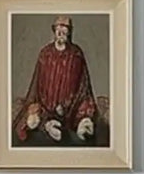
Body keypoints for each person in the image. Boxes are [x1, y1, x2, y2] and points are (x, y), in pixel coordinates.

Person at [13, 16, 98, 146]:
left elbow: (83, 85)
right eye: (59, 30)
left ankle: (80, 124)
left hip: (71, 108)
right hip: (46, 106)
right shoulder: (45, 54)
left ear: (69, 32)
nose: (61, 33)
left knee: (85, 116)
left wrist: (68, 105)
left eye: (65, 30)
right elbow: (37, 83)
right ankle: (48, 125)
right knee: (33, 117)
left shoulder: (76, 54)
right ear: (54, 31)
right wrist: (46, 106)